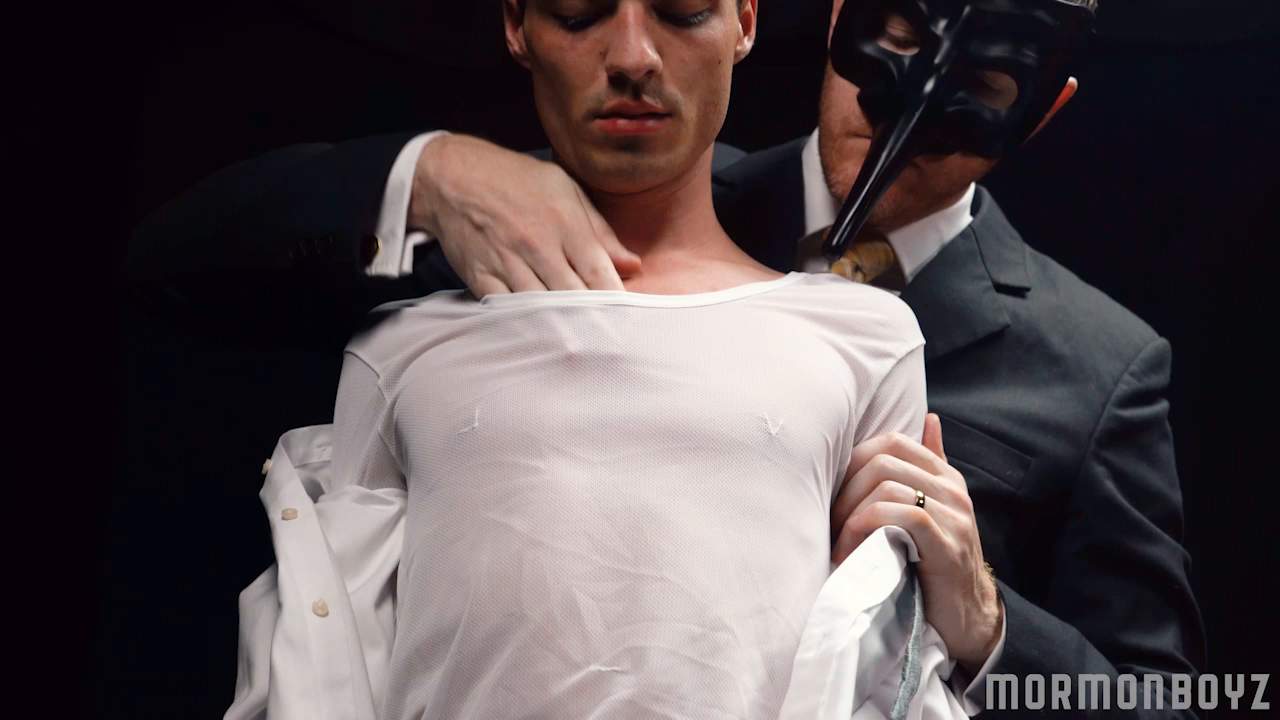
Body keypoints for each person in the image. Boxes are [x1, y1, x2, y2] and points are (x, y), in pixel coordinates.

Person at [131, 0, 1205, 716]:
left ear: (1045, 112)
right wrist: (431, 175)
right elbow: (180, 266)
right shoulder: (631, 176)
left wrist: (989, 628)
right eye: (883, 45)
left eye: (982, 96)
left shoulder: (1097, 368)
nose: (902, 115)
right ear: (832, 17)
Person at [236, 0, 976, 717]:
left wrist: (959, 588)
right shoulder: (401, 351)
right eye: (579, 13)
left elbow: (884, 669)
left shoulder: (863, 339)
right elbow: (329, 668)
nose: (632, 57)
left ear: (744, 21)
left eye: (682, 12)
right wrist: (428, 171)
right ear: (517, 24)